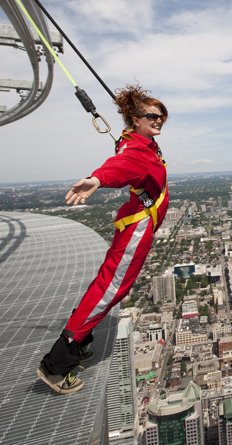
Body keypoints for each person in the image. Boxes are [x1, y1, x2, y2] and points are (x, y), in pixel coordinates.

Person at [37, 85, 169, 394]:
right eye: (152, 114)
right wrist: (98, 179)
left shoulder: (140, 142)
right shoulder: (137, 148)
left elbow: (128, 158)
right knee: (109, 289)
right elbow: (121, 166)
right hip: (137, 228)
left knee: (109, 287)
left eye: (163, 115)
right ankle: (56, 365)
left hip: (138, 225)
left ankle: (80, 341)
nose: (160, 119)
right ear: (136, 119)